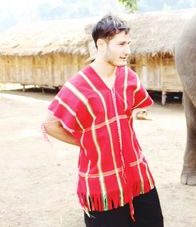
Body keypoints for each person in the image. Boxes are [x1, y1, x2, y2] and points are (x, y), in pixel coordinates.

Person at [42, 14, 163, 227]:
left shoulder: (129, 77)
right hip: (101, 184)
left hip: (138, 175)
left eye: (129, 44)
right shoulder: (78, 85)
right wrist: (86, 140)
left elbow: (129, 113)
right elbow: (50, 124)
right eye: (121, 44)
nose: (127, 51)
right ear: (101, 44)